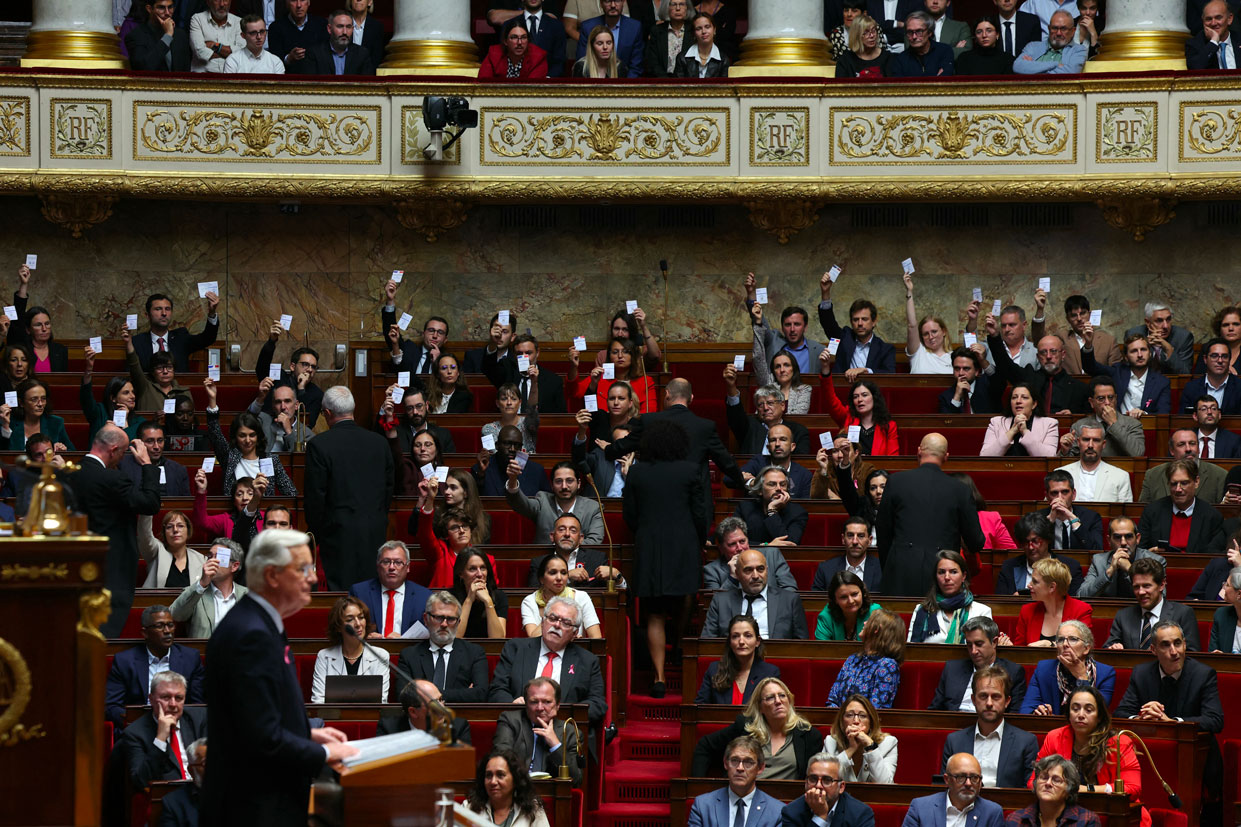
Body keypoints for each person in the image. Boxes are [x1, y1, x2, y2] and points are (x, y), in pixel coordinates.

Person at [202, 529, 358, 826]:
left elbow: (253, 718)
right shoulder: (251, 635)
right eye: (303, 569)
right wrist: (323, 752)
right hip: (252, 808)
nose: (313, 578)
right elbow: (262, 739)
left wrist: (304, 733)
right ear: (272, 576)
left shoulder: (260, 622)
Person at [624, 418, 708, 695]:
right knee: (686, 596)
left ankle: (659, 677)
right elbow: (700, 513)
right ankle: (679, 643)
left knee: (655, 613)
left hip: (650, 548)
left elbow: (630, 516)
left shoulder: (636, 473)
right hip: (684, 545)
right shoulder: (691, 470)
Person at [69, 424, 161, 637]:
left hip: (77, 569)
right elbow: (150, 503)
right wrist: (146, 464)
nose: (122, 458)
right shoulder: (113, 480)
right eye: (123, 452)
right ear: (113, 450)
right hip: (111, 574)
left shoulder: (69, 475)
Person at [605, 378, 744, 515]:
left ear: (667, 394)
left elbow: (620, 448)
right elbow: (725, 462)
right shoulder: (705, 427)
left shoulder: (648, 421)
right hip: (693, 504)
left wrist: (607, 449)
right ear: (691, 398)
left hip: (655, 501)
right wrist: (743, 482)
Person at [305, 386, 394, 590]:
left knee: (342, 598)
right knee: (372, 594)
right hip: (375, 531)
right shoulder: (379, 443)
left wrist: (317, 532)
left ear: (327, 413)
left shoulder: (319, 445)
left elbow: (315, 497)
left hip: (337, 536)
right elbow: (389, 489)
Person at [877, 433, 985, 597]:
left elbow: (883, 529)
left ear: (919, 451)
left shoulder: (896, 481)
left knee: (898, 621)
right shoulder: (960, 490)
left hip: (901, 570)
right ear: (946, 456)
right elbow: (976, 542)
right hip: (942, 574)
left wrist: (891, 563)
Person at [1032, 686, 1149, 827]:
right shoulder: (1054, 737)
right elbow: (1033, 780)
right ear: (1068, 713)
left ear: (1099, 716)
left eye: (1089, 710)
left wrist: (1087, 790)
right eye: (1075, 709)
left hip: (1112, 814)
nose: (1081, 714)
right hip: (1065, 814)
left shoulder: (1119, 743)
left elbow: (1133, 788)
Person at [489, 597, 608, 727]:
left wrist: (560, 713)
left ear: (574, 634)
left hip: (563, 730)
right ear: (542, 622)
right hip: (519, 726)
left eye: (566, 623)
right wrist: (513, 705)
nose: (557, 625)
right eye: (552, 618)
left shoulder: (587, 661)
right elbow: (497, 689)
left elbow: (597, 703)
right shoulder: (516, 649)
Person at [691, 680, 824, 782]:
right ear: (760, 707)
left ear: (789, 701)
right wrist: (698, 786)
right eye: (770, 697)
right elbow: (705, 745)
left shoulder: (809, 735)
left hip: (787, 805)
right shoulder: (744, 727)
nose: (778, 701)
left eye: (782, 696)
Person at [105, 606, 205, 730]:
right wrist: (136, 723)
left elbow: (198, 705)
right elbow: (111, 706)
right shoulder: (125, 661)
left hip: (179, 728)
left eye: (170, 625)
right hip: (139, 729)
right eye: (160, 626)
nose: (167, 631)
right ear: (145, 633)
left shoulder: (190, 658)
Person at [941, 665, 1039, 788]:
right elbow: (946, 786)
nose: (989, 703)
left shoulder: (1026, 742)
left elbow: (1029, 791)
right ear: (973, 700)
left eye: (996, 697)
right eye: (983, 696)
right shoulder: (954, 741)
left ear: (1007, 701)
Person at [116, 671, 208, 791]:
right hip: (167, 798)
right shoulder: (134, 733)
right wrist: (161, 738)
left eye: (179, 698)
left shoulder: (199, 719)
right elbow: (140, 780)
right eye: (166, 697)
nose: (173, 704)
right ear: (151, 699)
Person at [984, 315, 1090, 417]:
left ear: (1063, 355)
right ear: (1038, 357)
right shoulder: (1029, 377)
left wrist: (1072, 417)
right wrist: (995, 336)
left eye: (1053, 351)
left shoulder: (1079, 388)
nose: (1048, 356)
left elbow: (1087, 419)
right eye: (1043, 352)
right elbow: (1005, 364)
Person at [204, 382, 296, 497]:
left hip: (263, 513)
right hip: (235, 512)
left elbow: (291, 494)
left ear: (258, 436)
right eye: (242, 436)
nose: (248, 440)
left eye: (252, 435)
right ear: (235, 437)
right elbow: (215, 434)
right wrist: (212, 400)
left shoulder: (271, 459)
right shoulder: (230, 458)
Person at [395, 591, 490, 702]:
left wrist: (424, 694)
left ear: (458, 622)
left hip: (460, 716)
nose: (444, 624)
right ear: (426, 619)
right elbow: (403, 696)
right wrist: (463, 693)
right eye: (439, 618)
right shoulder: (409, 655)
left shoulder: (474, 653)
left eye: (450, 619)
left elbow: (480, 694)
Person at [493, 677, 584, 786]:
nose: (540, 708)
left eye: (547, 702)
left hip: (552, 794)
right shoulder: (511, 721)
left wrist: (555, 745)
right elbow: (501, 760)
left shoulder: (569, 732)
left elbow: (576, 780)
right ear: (526, 704)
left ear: (558, 705)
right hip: (516, 790)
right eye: (534, 702)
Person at [702, 549, 809, 640]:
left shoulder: (789, 600)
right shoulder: (721, 601)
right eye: (748, 570)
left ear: (767, 571)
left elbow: (801, 646)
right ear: (737, 574)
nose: (755, 576)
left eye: (760, 569)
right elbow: (707, 643)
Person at [929, 617, 1026, 712]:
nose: (973, 651)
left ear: (994, 642)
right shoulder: (952, 668)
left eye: (979, 644)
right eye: (969, 645)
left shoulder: (1013, 672)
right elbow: (935, 710)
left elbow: (1015, 715)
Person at [1020, 621, 1116, 715]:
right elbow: (1026, 710)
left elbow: (1098, 711)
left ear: (1086, 648)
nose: (1065, 644)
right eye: (1061, 640)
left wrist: (1082, 677)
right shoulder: (1044, 669)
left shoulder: (1105, 673)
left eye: (1073, 639)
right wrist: (1038, 712)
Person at [1104, 558, 1202, 650]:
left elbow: (1192, 654)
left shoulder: (1182, 614)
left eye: (1146, 586)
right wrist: (1114, 647)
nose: (1141, 592)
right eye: (1136, 587)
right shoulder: (1123, 616)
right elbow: (1108, 649)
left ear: (1162, 585)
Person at [418, 479, 499, 589]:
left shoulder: (487, 560)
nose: (461, 531)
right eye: (455, 528)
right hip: (443, 604)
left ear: (471, 530)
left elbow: (493, 591)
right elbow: (425, 533)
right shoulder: (440, 553)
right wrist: (430, 499)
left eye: (465, 526)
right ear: (447, 534)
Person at [1137, 458, 1227, 555]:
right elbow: (1139, 550)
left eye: (1184, 483)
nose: (1178, 489)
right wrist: (1149, 553)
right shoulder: (1152, 512)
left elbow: (1215, 555)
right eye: (1174, 484)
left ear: (1196, 482)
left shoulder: (1212, 516)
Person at [310, 596, 390, 703]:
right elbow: (318, 701)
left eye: (361, 617)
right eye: (350, 619)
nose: (358, 624)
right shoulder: (324, 656)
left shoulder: (380, 655)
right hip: (333, 718)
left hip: (370, 718)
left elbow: (381, 701)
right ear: (338, 627)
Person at [743, 273, 826, 376]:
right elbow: (760, 321)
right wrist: (751, 294)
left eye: (797, 324)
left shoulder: (818, 350)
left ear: (805, 327)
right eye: (787, 325)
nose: (792, 329)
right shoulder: (773, 342)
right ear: (782, 327)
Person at [346, 540, 431, 639]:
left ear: (407, 567)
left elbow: (431, 633)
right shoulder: (359, 592)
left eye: (398, 562)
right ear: (378, 566)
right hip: (370, 650)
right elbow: (348, 626)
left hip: (408, 651)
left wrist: (404, 641)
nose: (391, 567)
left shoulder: (424, 596)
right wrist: (365, 636)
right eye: (386, 562)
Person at [818, 355, 900, 456]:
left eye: (864, 395)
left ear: (874, 398)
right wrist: (825, 369)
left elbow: (892, 458)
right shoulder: (847, 418)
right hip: (851, 470)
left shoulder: (889, 426)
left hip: (878, 470)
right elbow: (830, 400)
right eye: (855, 397)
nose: (859, 400)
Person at [817, 272, 895, 377]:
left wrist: (865, 370)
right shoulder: (844, 338)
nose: (860, 323)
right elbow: (828, 323)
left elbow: (890, 374)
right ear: (851, 322)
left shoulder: (885, 349)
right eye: (855, 319)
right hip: (843, 390)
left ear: (874, 321)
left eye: (864, 319)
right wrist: (825, 292)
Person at [507, 460, 604, 544]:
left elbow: (594, 541)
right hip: (545, 562)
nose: (564, 486)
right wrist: (512, 480)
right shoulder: (543, 500)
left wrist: (565, 547)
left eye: (569, 481)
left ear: (578, 483)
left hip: (578, 562)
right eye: (558, 481)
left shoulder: (593, 508)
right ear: (552, 485)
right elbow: (520, 504)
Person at [826, 608, 905, 709]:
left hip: (864, 723)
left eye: (869, 621)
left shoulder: (887, 665)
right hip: (840, 720)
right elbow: (833, 698)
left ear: (877, 629)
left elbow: (876, 708)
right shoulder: (853, 659)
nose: (864, 623)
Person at [169, 539, 248, 638]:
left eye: (219, 557)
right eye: (210, 556)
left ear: (234, 566)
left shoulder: (248, 596)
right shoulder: (196, 592)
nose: (211, 561)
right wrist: (202, 583)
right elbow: (175, 615)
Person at [909, 551, 992, 644]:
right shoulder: (922, 609)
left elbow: (984, 650)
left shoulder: (981, 611)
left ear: (963, 576)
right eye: (941, 572)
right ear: (936, 577)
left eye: (953, 572)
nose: (947, 577)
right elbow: (912, 649)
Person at [696, 615, 781, 705]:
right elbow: (701, 707)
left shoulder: (770, 672)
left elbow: (772, 709)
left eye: (748, 636)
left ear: (757, 641)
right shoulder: (714, 670)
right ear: (730, 641)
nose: (741, 641)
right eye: (735, 636)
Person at [1082, 332, 1171, 417]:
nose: (1140, 355)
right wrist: (1088, 345)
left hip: (1146, 426)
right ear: (1126, 357)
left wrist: (1144, 414)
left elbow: (1163, 414)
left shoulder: (1161, 382)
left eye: (1143, 350)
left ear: (1150, 353)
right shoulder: (1117, 372)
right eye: (1134, 351)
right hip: (1118, 425)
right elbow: (1091, 367)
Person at [526, 512, 623, 590]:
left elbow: (624, 599)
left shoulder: (597, 559)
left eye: (573, 530)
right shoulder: (539, 562)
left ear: (581, 538)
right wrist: (567, 576)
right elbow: (533, 594)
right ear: (552, 536)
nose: (567, 534)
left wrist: (617, 576)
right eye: (561, 529)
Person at [903, 753, 1004, 827]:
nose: (968, 783)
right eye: (961, 777)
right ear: (947, 779)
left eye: (974, 778)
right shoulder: (921, 807)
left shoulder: (992, 812)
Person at [996, 513, 1085, 597]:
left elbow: (1074, 604)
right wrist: (1012, 601)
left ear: (1048, 539)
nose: (1030, 547)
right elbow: (1000, 605)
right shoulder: (1009, 567)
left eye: (1035, 541)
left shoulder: (1070, 567)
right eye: (1025, 542)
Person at [702, 516, 799, 592]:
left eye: (742, 541)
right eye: (732, 544)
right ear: (721, 548)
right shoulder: (712, 571)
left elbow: (790, 589)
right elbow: (715, 607)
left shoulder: (771, 555)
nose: (740, 548)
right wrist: (732, 578)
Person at [254, 324, 323, 428]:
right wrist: (271, 341)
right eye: (305, 364)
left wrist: (301, 389)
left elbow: (306, 425)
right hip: (268, 430)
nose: (309, 370)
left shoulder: (316, 394)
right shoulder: (278, 377)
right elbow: (262, 367)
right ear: (292, 366)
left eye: (313, 367)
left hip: (294, 437)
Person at [1032, 294, 1121, 374]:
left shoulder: (1108, 340)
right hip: (1070, 387)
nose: (1079, 319)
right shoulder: (1062, 337)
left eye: (1082, 313)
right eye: (1074, 315)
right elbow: (1040, 342)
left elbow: (1117, 372)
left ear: (1089, 314)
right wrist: (1040, 309)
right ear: (1068, 319)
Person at [1078, 517, 1165, 599]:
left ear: (1137, 539)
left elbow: (1161, 597)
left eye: (1128, 536)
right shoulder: (1099, 561)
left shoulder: (1156, 561)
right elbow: (1082, 595)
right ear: (1109, 541)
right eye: (1117, 537)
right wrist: (1110, 571)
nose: (1123, 542)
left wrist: (1130, 569)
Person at [781, 752, 877, 827]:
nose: (818, 785)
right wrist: (819, 817)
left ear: (841, 787)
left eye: (827, 780)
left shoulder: (860, 813)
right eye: (813, 779)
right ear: (806, 782)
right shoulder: (792, 812)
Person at [1012, 557, 1091, 647]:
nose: (1029, 585)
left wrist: (1050, 644)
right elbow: (1020, 650)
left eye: (1035, 582)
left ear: (1052, 587)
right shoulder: (1027, 611)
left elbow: (1082, 646)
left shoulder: (1081, 610)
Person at [725, 375, 812, 456]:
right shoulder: (749, 427)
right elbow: (735, 415)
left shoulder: (797, 431)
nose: (765, 408)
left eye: (770, 403)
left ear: (782, 405)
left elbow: (801, 461)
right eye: (760, 405)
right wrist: (731, 386)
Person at [521, 553, 603, 639]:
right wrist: (554, 607)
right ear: (541, 579)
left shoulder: (581, 597)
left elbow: (596, 638)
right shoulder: (529, 601)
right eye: (553, 573)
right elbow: (533, 638)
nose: (559, 578)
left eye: (563, 573)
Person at [134, 291, 219, 373]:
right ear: (147, 315)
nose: (164, 313)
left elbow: (208, 338)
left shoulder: (181, 337)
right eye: (158, 309)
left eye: (167, 309)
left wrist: (212, 313)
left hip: (179, 386)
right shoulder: (137, 342)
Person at [820, 694, 898, 783]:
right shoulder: (831, 742)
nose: (856, 721)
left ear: (871, 722)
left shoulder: (888, 743)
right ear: (842, 721)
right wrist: (851, 749)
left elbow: (884, 784)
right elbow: (824, 780)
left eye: (862, 716)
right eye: (849, 715)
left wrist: (870, 746)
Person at [569, 337, 656, 414]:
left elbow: (650, 412)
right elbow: (573, 393)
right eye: (615, 352)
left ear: (632, 356)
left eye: (625, 352)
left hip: (634, 428)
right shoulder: (599, 378)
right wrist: (573, 366)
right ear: (609, 356)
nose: (620, 356)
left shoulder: (645, 381)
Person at [1006, 755, 1099, 827]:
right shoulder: (1015, 820)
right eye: (1044, 778)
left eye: (1056, 780)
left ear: (1069, 788)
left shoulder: (1086, 821)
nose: (1048, 783)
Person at [466, 750, 551, 827]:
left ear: (515, 779)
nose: (493, 782)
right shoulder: (470, 807)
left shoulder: (533, 810)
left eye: (500, 775)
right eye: (488, 775)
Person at [483, 334, 564, 414]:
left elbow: (560, 415)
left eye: (528, 353)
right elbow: (488, 369)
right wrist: (493, 343)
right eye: (519, 354)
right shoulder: (506, 374)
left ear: (537, 353)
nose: (524, 358)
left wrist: (534, 382)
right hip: (511, 424)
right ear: (514, 355)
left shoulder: (553, 381)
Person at [1057, 422, 1134, 504]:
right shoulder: (1060, 473)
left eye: (1096, 440)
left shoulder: (1120, 476)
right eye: (1086, 440)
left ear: (1103, 444)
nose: (1090, 445)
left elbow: (1125, 514)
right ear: (1078, 442)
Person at [1141, 430, 1227, 503]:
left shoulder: (1219, 475)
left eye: (1192, 443)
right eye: (1181, 444)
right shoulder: (1153, 475)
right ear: (1172, 450)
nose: (1188, 449)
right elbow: (1142, 510)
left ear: (1199, 448)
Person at [191, 470, 265, 554]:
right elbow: (201, 522)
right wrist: (201, 490)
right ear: (234, 501)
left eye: (250, 493)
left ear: (257, 498)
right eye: (239, 494)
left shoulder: (266, 518)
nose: (245, 498)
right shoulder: (226, 519)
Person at [751, 313, 812, 414]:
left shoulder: (803, 390)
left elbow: (798, 418)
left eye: (786, 365)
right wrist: (758, 324)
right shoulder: (768, 384)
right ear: (773, 371)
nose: (782, 370)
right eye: (777, 367)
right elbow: (758, 357)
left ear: (794, 368)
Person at [487, 0, 566, 77]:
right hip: (515, 82)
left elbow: (559, 60)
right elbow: (503, 57)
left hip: (547, 82)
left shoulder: (556, 26)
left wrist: (546, 81)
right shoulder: (508, 25)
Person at [377, 679, 473, 742]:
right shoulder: (389, 729)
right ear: (413, 712)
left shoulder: (457, 727)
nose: (442, 708)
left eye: (440, 700)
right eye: (434, 703)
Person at [735, 467, 808, 546]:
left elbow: (789, 545)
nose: (778, 488)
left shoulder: (797, 512)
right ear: (760, 490)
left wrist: (772, 512)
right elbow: (735, 541)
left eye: (783, 484)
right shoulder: (745, 508)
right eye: (772, 484)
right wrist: (767, 545)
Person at [982, 382, 1059, 457]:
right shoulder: (996, 422)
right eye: (1014, 397)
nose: (1018, 401)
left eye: (1024, 397)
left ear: (1034, 404)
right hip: (1001, 469)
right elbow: (985, 457)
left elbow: (1050, 458)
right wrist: (1012, 431)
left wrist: (1025, 431)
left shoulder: (1049, 424)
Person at [139, 509, 206, 589]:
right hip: (157, 601)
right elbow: (145, 535)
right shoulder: (156, 552)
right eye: (169, 527)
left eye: (180, 526)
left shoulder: (201, 559)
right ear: (164, 533)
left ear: (188, 531)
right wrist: (147, 504)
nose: (175, 530)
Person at [812, 517, 883, 592]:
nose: (855, 541)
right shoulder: (825, 569)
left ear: (869, 540)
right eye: (850, 535)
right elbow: (816, 602)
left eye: (861, 536)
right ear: (843, 539)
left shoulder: (882, 569)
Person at [1037, 471, 1103, 551]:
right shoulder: (1037, 518)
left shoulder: (1091, 518)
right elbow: (1033, 550)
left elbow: (1096, 550)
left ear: (1073, 494)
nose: (1060, 498)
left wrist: (1073, 519)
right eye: (1054, 493)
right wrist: (1049, 523)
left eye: (1065, 492)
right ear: (1047, 496)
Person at [575, 0, 644, 77]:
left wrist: (624, 86)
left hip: (625, 83)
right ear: (601, 3)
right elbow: (583, 63)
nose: (613, 5)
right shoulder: (587, 27)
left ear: (623, 2)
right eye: (608, 1)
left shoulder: (634, 27)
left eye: (617, 1)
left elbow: (636, 66)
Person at [296, 9, 376, 74]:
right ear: (329, 29)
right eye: (340, 26)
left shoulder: (362, 54)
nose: (344, 32)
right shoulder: (314, 54)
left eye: (348, 27)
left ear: (352, 29)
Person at [1126, 301, 1195, 375]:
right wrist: (1145, 345)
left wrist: (1168, 349)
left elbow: (1185, 373)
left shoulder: (1183, 337)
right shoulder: (1134, 334)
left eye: (1168, 319)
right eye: (1159, 321)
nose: (1165, 326)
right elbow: (1128, 369)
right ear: (1148, 322)